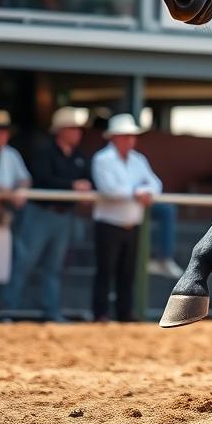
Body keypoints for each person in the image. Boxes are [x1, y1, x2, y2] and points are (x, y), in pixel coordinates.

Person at [3, 107, 89, 322]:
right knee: (24, 262)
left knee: (54, 266)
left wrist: (83, 187)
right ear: (60, 130)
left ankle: (51, 311)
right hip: (40, 214)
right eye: (72, 128)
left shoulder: (78, 156)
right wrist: (73, 185)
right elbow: (41, 179)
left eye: (78, 129)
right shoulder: (45, 151)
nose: (77, 133)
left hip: (63, 215)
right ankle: (7, 310)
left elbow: (84, 179)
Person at [90, 113, 161, 322]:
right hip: (108, 222)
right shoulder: (102, 159)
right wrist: (137, 192)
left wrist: (144, 192)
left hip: (132, 222)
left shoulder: (138, 160)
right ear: (114, 137)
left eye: (132, 136)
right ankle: (100, 313)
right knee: (105, 270)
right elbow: (108, 189)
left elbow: (155, 184)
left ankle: (124, 313)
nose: (130, 140)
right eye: (125, 136)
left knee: (127, 272)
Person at [0, 110, 31, 287]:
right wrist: (6, 192)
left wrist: (19, 191)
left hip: (6, 216)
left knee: (11, 259)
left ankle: (6, 308)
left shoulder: (11, 154)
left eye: (3, 131)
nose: (1, 135)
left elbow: (25, 178)